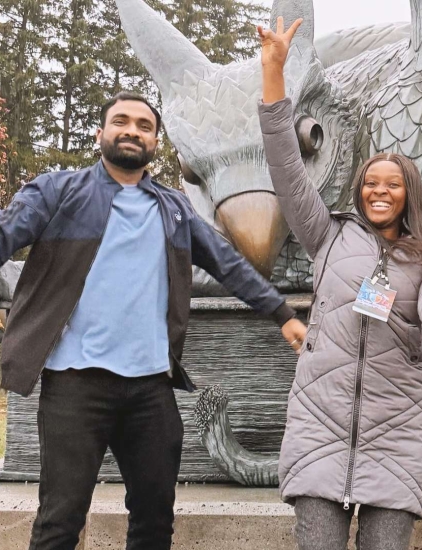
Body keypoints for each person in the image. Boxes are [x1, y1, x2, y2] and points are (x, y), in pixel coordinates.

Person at [0, 91, 303, 550]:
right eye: (121, 121)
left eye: (144, 125)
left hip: (150, 391)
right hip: (75, 386)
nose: (132, 130)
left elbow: (229, 263)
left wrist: (281, 314)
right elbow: (5, 235)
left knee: (155, 522)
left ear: (155, 142)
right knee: (60, 522)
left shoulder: (175, 209)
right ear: (100, 133)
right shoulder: (57, 192)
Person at [257, 17, 422, 550]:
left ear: (408, 194)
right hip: (319, 430)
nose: (379, 192)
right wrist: (274, 74)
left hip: (396, 435)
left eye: (391, 185)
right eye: (370, 183)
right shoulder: (325, 236)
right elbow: (285, 165)